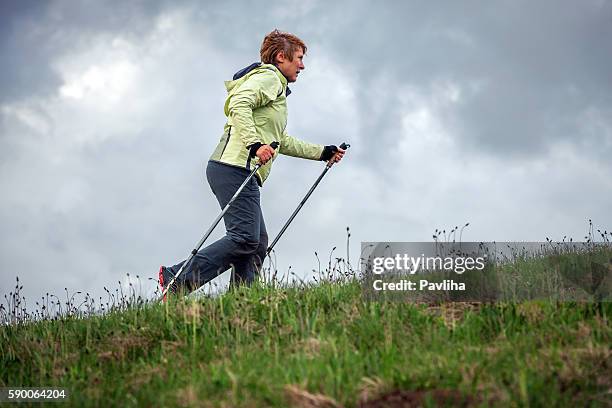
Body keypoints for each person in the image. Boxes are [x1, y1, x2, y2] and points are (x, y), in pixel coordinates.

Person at [158, 29, 345, 298]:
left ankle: (240, 303)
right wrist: (255, 145)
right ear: (282, 57)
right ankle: (178, 277)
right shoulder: (269, 77)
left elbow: (280, 140)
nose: (303, 65)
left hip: (237, 169)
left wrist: (322, 152)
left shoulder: (276, 88)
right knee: (245, 238)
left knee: (257, 244)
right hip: (234, 167)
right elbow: (239, 103)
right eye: (299, 58)